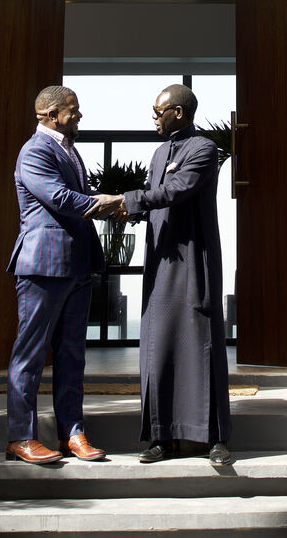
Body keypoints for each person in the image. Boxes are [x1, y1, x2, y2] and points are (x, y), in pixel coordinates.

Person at [94, 83, 231, 467]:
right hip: (161, 261)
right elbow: (156, 197)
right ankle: (161, 437)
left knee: (201, 344)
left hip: (192, 260)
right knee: (157, 348)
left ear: (179, 114)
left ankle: (215, 438)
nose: (153, 117)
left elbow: (176, 190)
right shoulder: (158, 153)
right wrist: (127, 210)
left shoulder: (203, 149)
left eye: (158, 111)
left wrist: (125, 200)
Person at [4, 84, 109, 467]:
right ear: (50, 115)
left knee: (72, 355)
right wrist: (108, 203)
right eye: (72, 110)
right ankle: (21, 437)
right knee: (30, 355)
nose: (78, 115)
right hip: (43, 266)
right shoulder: (34, 151)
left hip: (77, 265)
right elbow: (60, 198)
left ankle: (72, 432)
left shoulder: (69, 149)